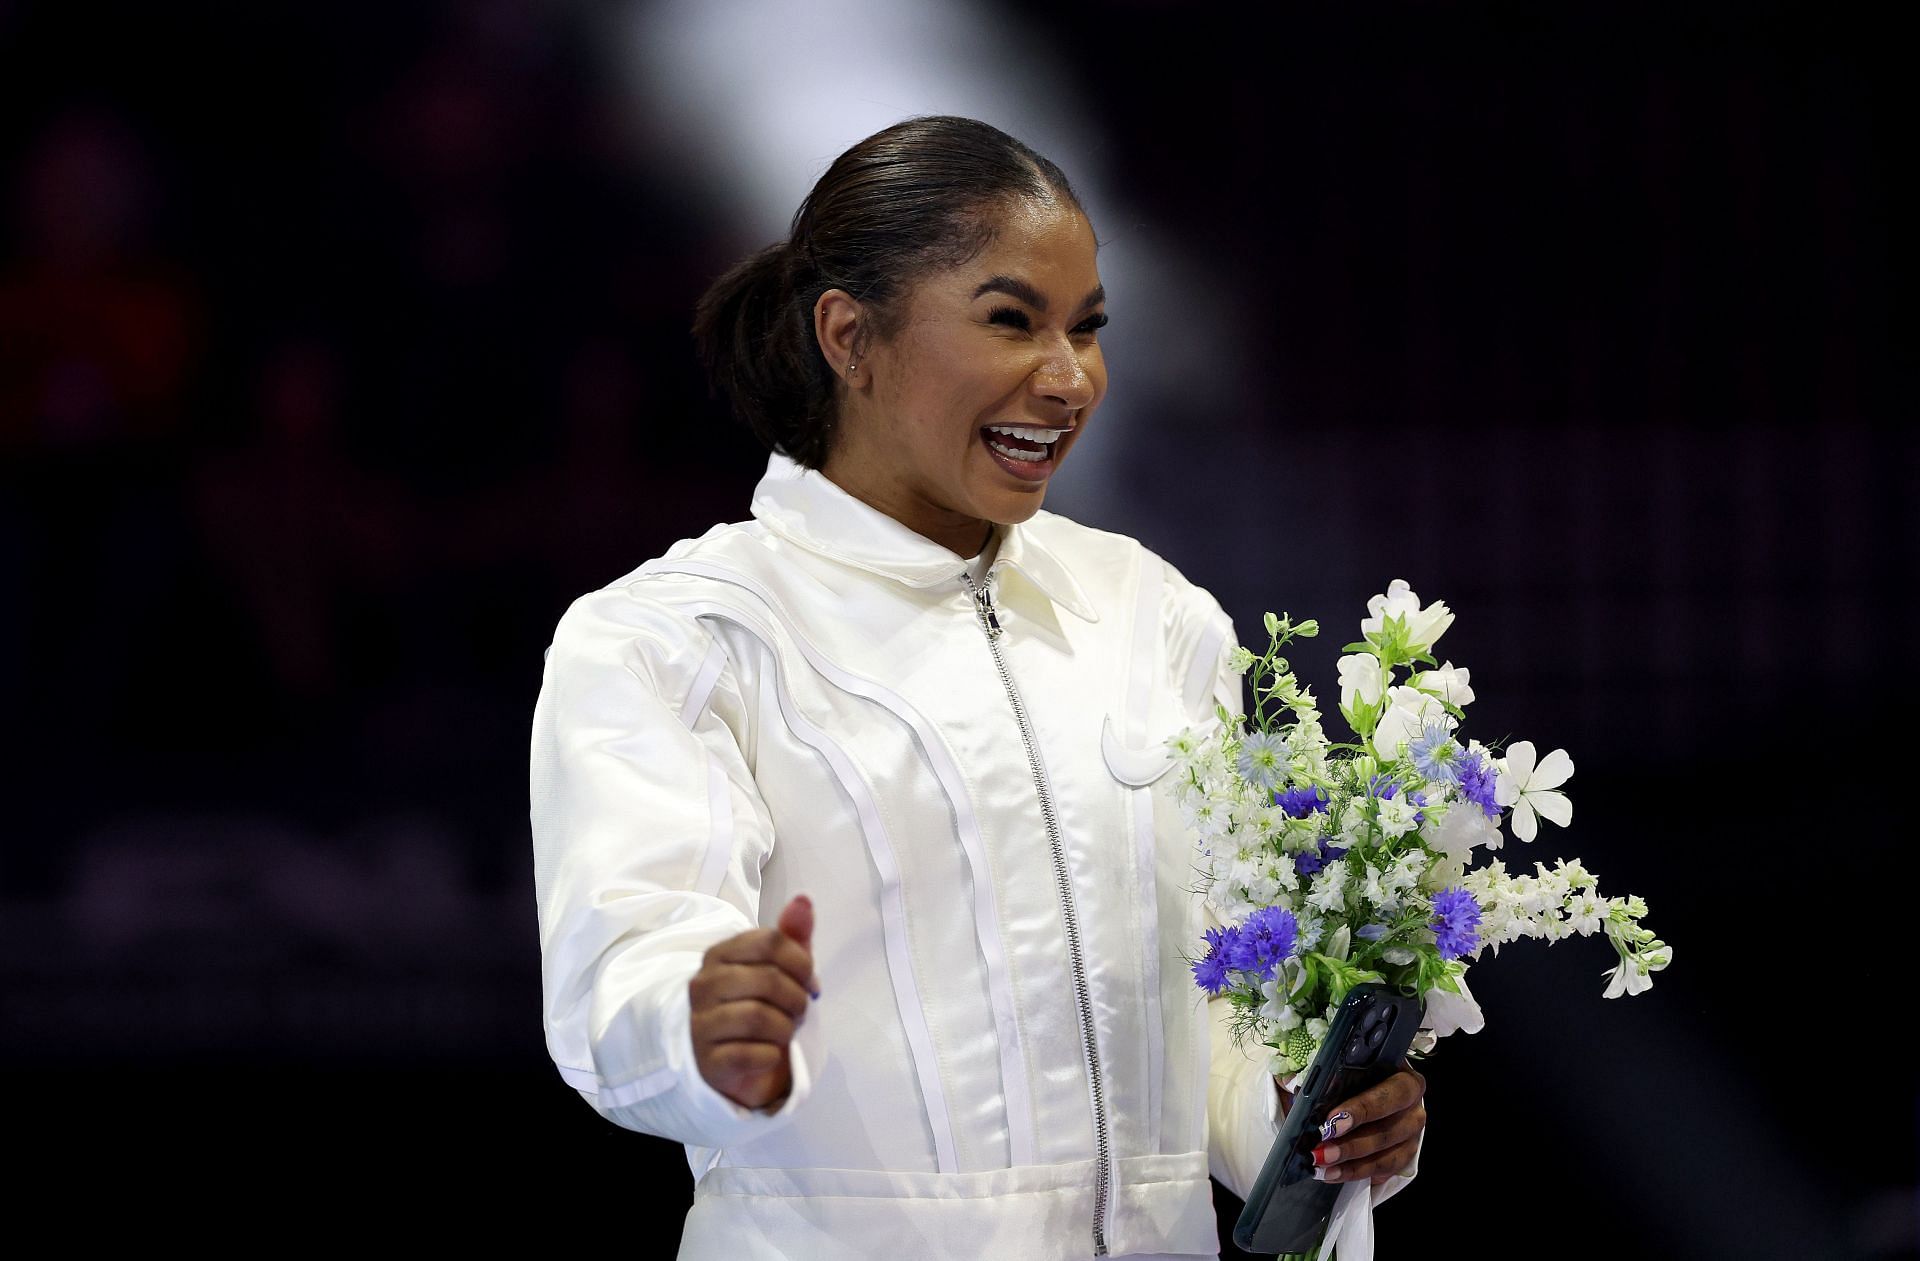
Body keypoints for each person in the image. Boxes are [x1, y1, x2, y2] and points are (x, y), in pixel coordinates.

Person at [528, 116, 1426, 1260]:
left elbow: (1210, 1000)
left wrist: (1318, 1122)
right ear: (850, 336)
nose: (1069, 378)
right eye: (1011, 320)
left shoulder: (1152, 613)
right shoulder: (674, 636)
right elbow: (625, 977)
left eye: (1088, 330)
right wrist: (698, 1025)